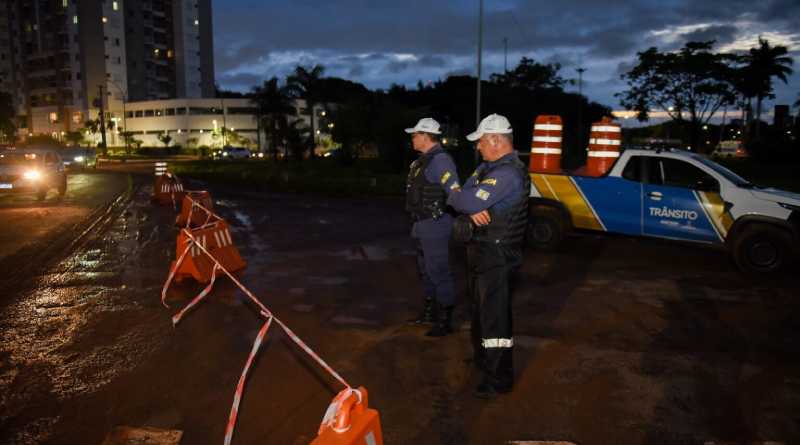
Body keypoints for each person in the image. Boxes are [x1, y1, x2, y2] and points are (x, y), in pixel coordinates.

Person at [446, 114, 530, 398]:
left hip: (497, 254)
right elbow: (459, 196)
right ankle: (485, 364)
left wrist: (466, 202)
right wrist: (468, 205)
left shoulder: (507, 174)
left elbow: (463, 197)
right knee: (481, 315)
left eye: (481, 141)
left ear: (495, 140)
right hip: (482, 252)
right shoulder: (487, 168)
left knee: (495, 321)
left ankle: (499, 379)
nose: (478, 147)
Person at [404, 118, 460, 337]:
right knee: (426, 270)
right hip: (421, 224)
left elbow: (454, 192)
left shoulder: (441, 161)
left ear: (426, 136)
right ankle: (430, 313)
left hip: (435, 224)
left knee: (439, 271)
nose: (413, 138)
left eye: (415, 134)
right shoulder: (422, 161)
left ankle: (445, 321)